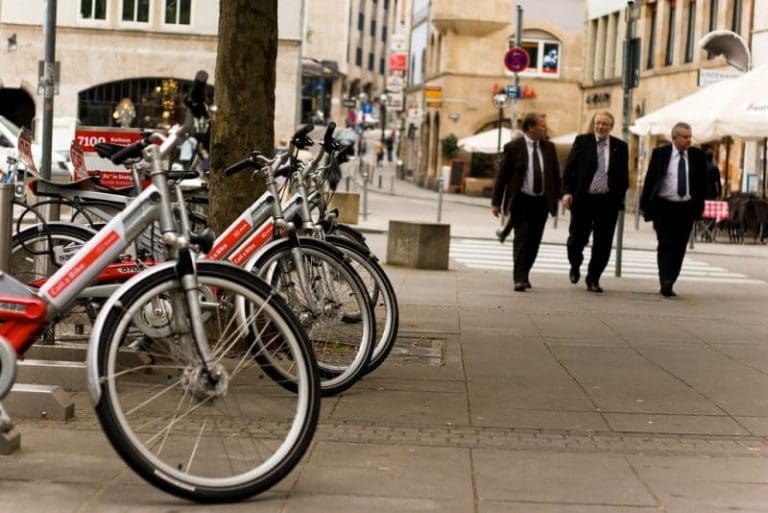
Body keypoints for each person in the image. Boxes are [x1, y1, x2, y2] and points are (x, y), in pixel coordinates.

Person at [491, 112, 561, 292]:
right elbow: (502, 176)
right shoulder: (514, 147)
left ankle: (525, 272)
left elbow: (554, 175)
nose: (545, 128)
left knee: (534, 241)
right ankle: (519, 278)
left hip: (541, 202)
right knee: (521, 239)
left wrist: (559, 197)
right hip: (521, 200)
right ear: (530, 128)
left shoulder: (549, 147)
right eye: (542, 125)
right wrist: (496, 201)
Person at [561, 111, 629, 293]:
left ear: (611, 127)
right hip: (584, 200)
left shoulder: (620, 147)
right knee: (576, 240)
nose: (601, 127)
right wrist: (567, 192)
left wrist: (618, 197)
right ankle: (575, 265)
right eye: (598, 123)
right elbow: (569, 169)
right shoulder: (582, 142)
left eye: (605, 124)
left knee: (603, 243)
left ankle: (593, 278)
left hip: (607, 202)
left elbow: (623, 176)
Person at [639, 122, 707, 298]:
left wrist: (700, 205)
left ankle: (672, 277)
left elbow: (702, 183)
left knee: (679, 246)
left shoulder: (697, 156)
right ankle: (665, 281)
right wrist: (644, 205)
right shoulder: (660, 154)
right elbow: (651, 179)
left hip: (686, 207)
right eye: (685, 137)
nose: (688, 140)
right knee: (665, 243)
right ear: (674, 137)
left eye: (690, 136)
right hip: (664, 206)